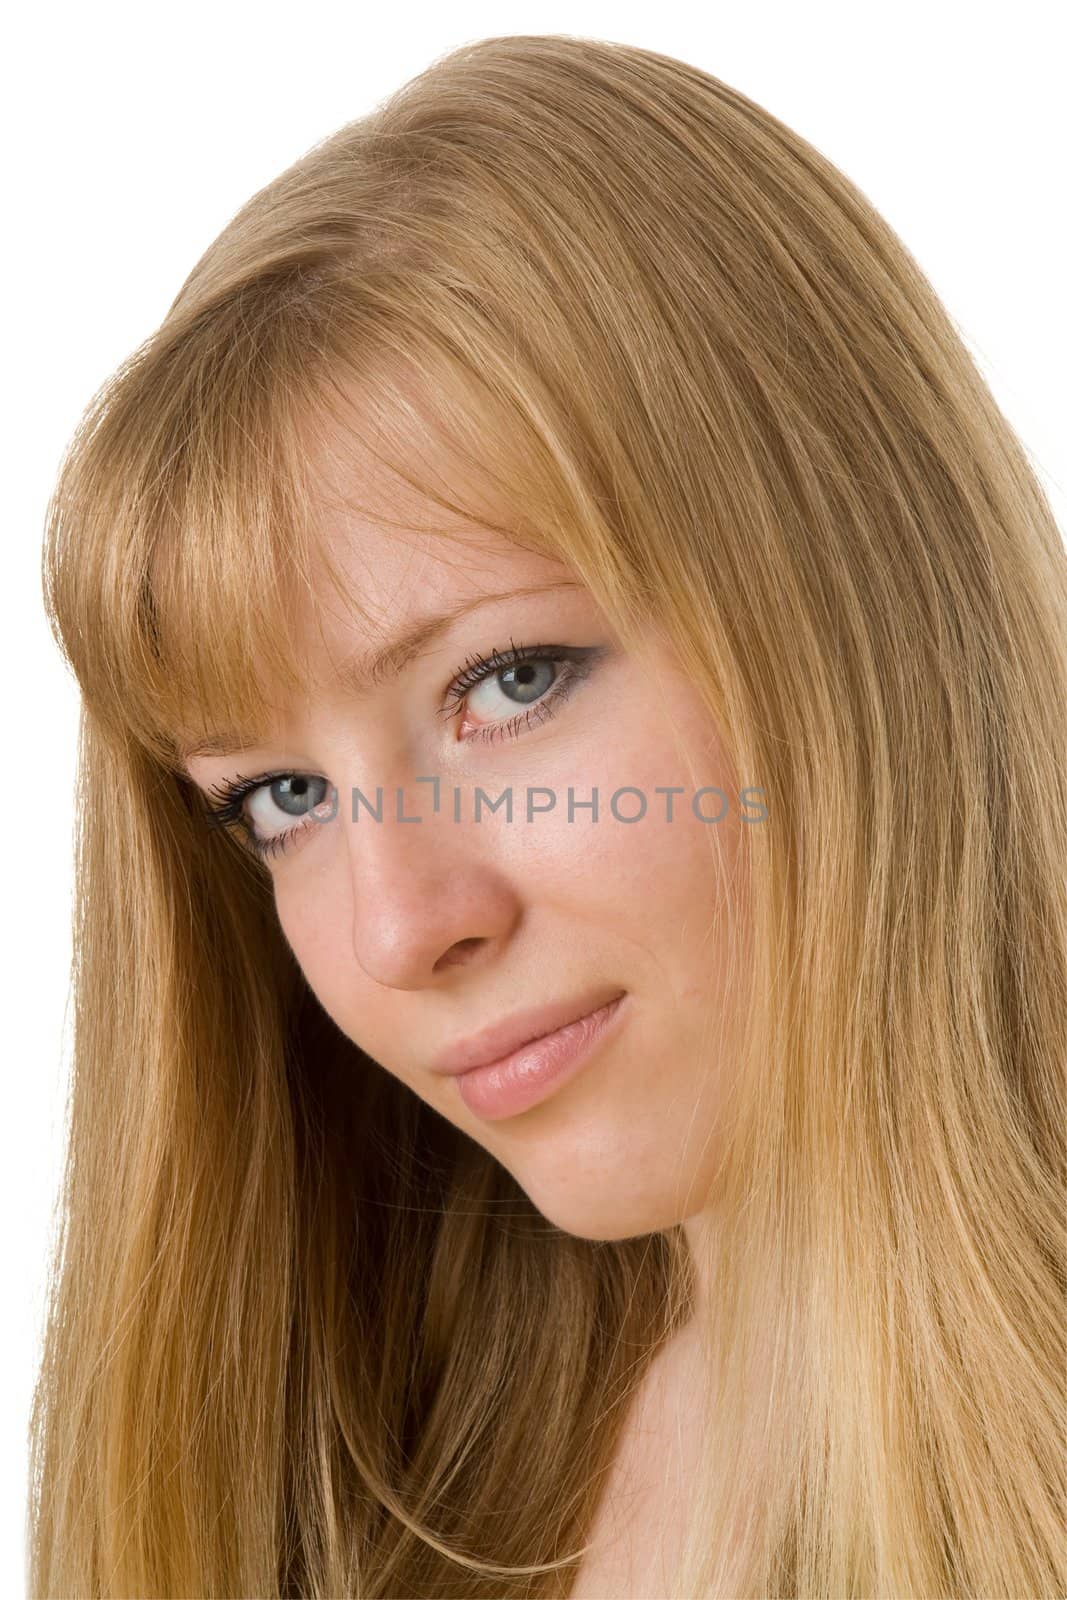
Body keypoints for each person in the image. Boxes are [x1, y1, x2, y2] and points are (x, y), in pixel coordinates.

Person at [29, 33, 1066, 1600]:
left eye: (508, 683)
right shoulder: (382, 1506)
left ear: (862, 596)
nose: (398, 927)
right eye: (280, 800)